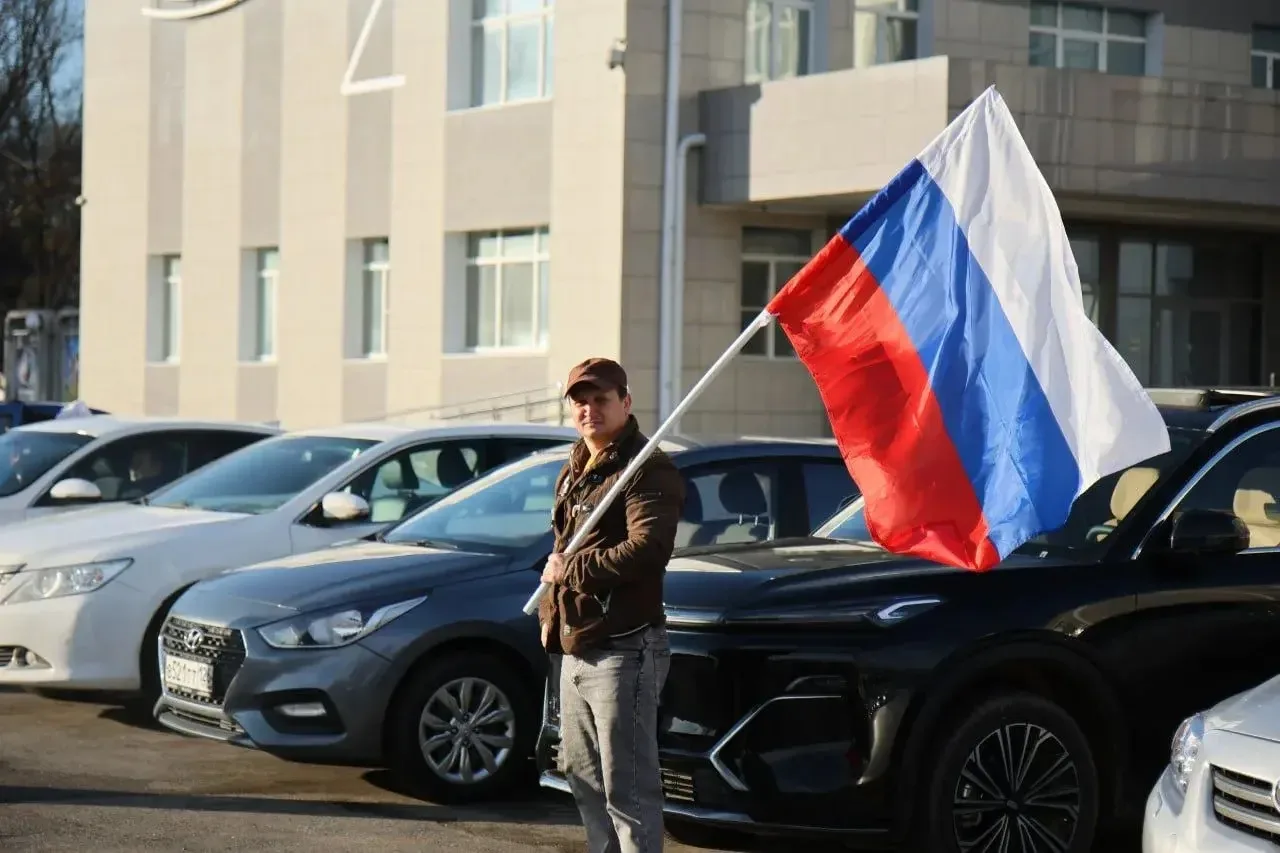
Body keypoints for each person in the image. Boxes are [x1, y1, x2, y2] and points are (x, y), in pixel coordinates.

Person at [539, 357, 686, 853]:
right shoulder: (577, 465)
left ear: (625, 402)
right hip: (577, 644)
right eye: (580, 401)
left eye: (600, 399)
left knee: (628, 790)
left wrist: (572, 570)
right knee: (583, 779)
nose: (589, 409)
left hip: (625, 649)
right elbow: (565, 543)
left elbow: (648, 550)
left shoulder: (647, 469)